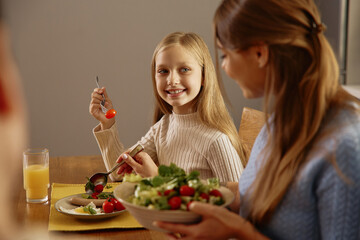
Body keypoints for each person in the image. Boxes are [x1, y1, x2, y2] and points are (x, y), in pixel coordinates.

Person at [154, 0, 360, 239]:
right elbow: (250, 196)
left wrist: (238, 231)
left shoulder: (344, 148)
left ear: (260, 53)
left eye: (225, 55)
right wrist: (182, 194)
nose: (225, 68)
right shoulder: (278, 123)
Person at [89, 32, 246, 182]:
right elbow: (118, 173)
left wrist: (159, 179)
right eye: (163, 71)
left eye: (184, 69)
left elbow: (240, 203)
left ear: (204, 76)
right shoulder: (163, 128)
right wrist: (107, 123)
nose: (172, 80)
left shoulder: (217, 141)